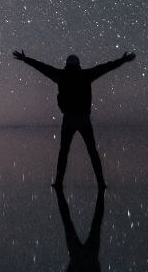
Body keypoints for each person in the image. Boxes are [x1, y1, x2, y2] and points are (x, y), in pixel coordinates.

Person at [13, 47, 136, 189]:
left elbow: (42, 67)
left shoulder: (61, 75)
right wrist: (123, 60)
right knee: (92, 151)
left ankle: (59, 182)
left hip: (69, 119)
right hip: (83, 119)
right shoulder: (86, 75)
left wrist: (25, 59)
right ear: (78, 65)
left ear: (66, 65)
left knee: (64, 152)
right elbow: (106, 67)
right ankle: (101, 183)